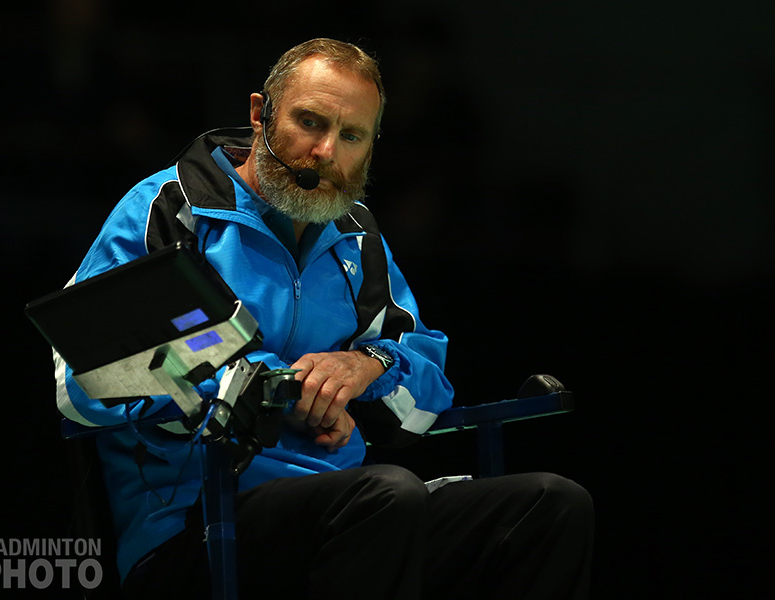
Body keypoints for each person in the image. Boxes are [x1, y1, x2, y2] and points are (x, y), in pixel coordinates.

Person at [56, 38, 594, 599]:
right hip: (198, 520)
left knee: (549, 505)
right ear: (260, 114)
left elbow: (426, 385)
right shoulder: (171, 210)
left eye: (352, 136)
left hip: (349, 505)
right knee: (387, 497)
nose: (325, 151)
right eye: (309, 122)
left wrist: (365, 368)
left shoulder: (357, 236)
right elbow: (82, 377)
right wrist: (282, 390)